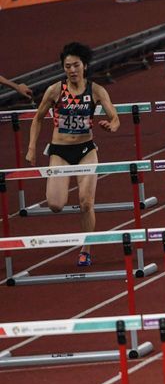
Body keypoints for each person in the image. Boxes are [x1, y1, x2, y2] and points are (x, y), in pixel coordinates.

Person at [25, 42, 120, 267]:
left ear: (84, 66)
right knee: (55, 204)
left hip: (86, 150)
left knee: (86, 203)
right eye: (67, 66)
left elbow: (115, 117)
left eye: (76, 65)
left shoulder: (96, 90)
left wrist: (111, 125)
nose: (72, 70)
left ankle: (86, 249)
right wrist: (31, 147)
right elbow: (38, 118)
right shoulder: (55, 90)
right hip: (60, 151)